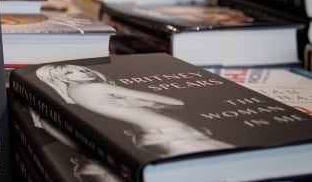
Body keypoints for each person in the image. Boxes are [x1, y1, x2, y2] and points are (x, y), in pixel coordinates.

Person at [35, 64, 231, 156]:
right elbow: (176, 102)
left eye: (80, 69)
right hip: (171, 132)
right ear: (61, 79)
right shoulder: (96, 87)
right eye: (69, 72)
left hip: (154, 134)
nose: (80, 71)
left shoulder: (75, 93)